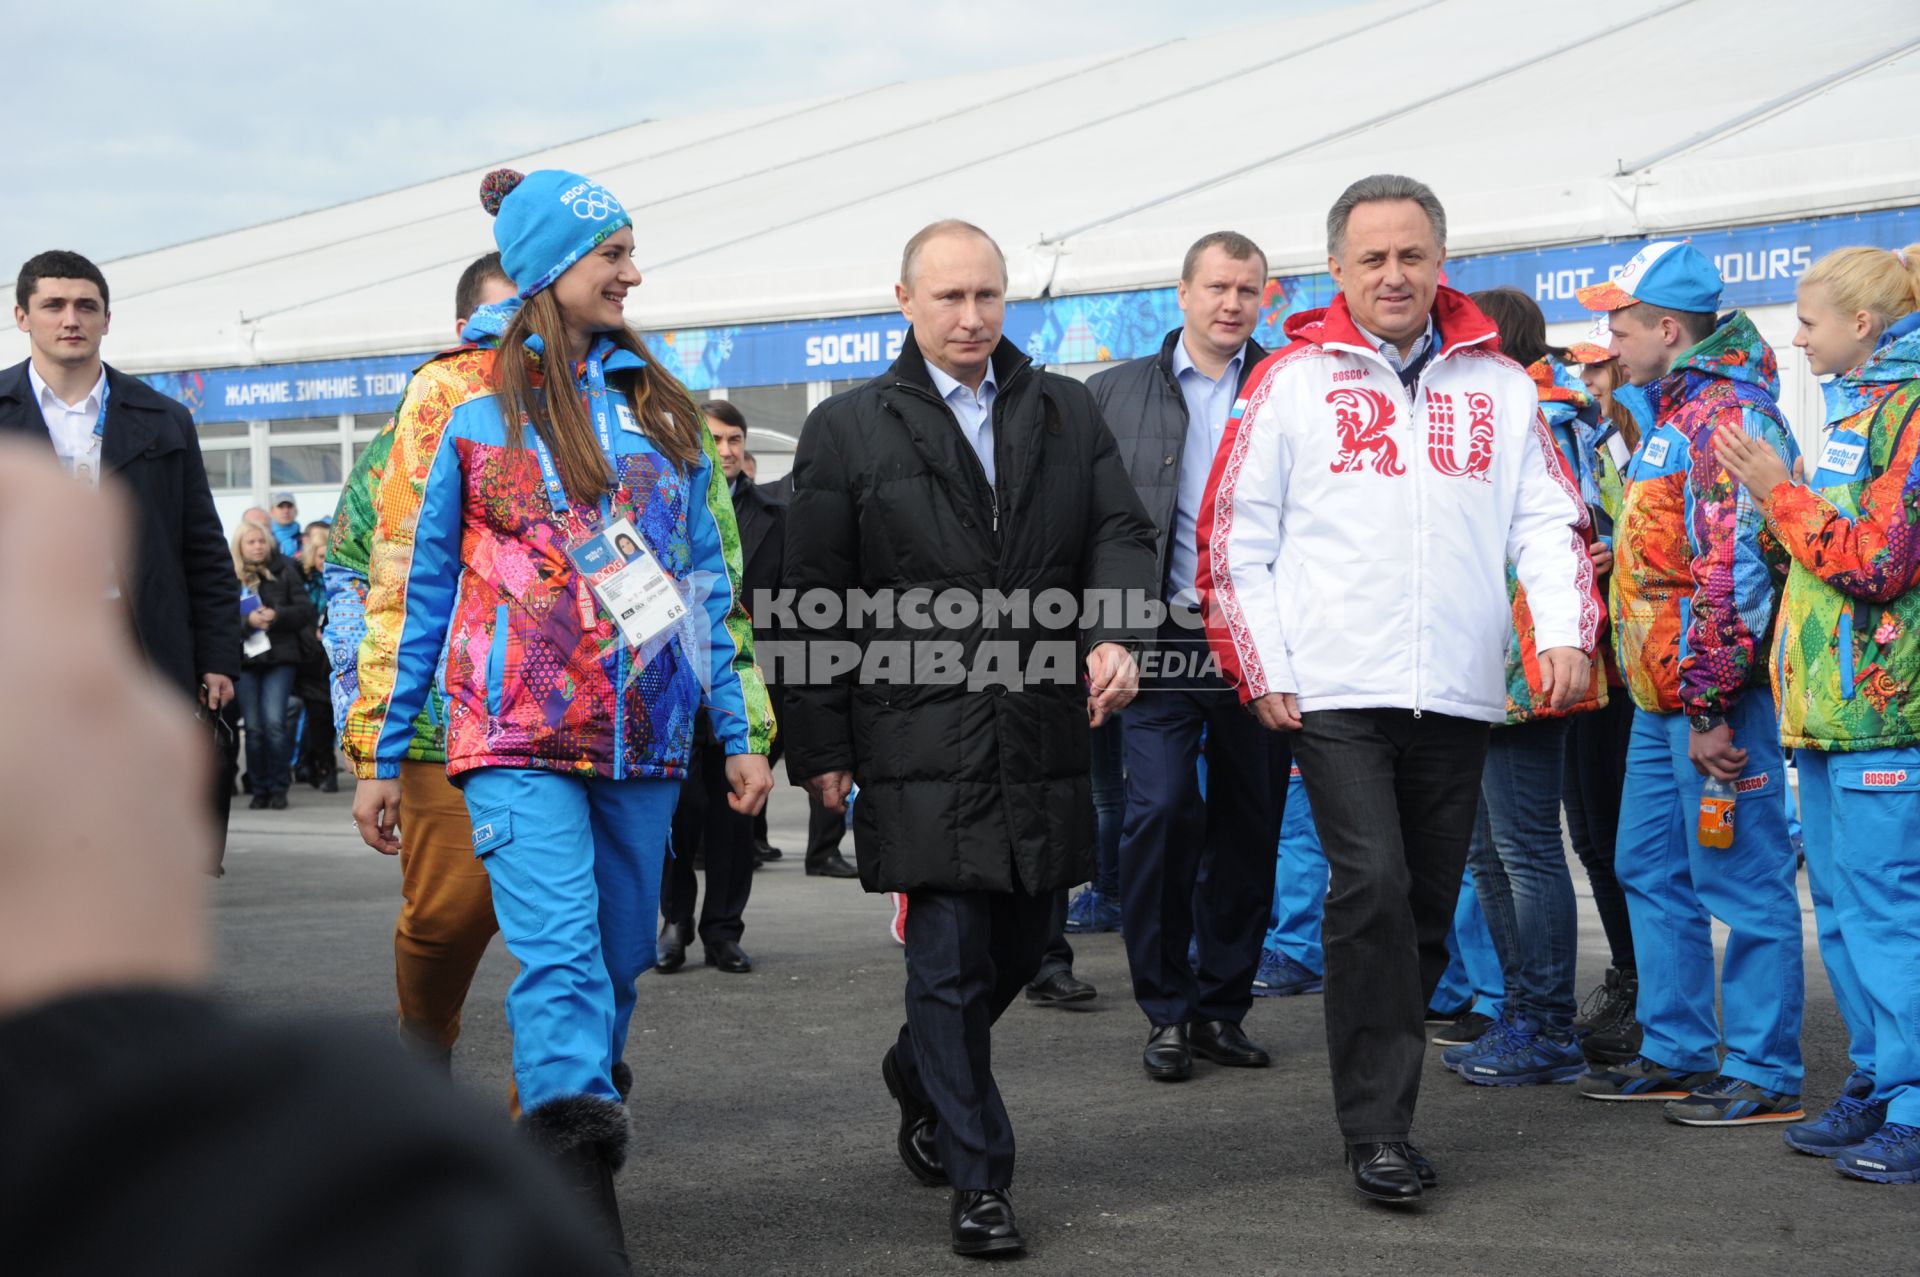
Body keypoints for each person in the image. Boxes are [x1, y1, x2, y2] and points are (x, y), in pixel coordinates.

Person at [344, 168, 774, 1266]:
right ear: (549, 270)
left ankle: (545, 1159)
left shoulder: (661, 412)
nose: (633, 272)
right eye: (612, 254)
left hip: (643, 741)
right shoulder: (475, 417)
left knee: (622, 955)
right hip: (511, 742)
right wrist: (384, 752)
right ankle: (579, 1224)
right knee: (563, 961)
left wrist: (740, 729)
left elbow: (700, 582)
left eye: (632, 252)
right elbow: (423, 590)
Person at [1198, 175, 1597, 1203]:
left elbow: (1549, 520)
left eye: (1411, 255)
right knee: (1368, 884)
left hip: (1457, 689)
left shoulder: (1502, 385)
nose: (1393, 274)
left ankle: (1385, 1094)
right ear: (1336, 268)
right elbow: (1236, 537)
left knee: (1423, 904)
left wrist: (1562, 630)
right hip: (1332, 687)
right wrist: (1266, 666)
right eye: (1371, 257)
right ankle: (1376, 1127)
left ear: (1439, 263)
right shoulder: (1289, 380)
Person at [781, 219, 1157, 1257]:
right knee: (946, 956)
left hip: (1039, 721)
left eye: (988, 295)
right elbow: (811, 591)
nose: (971, 316)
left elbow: (1120, 532)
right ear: (903, 299)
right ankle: (981, 1175)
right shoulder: (850, 427)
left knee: (1021, 939)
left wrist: (1115, 627)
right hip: (913, 730)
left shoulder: (1063, 408)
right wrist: (820, 744)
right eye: (948, 296)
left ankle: (918, 1068)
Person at [1572, 240, 1807, 1127]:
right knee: (1648, 865)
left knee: (1743, 882)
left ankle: (1763, 1068)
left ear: (1668, 329)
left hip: (1710, 701)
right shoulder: (1674, 411)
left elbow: (1733, 571)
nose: (1609, 336)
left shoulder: (1725, 418)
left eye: (1621, 321)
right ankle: (1675, 1048)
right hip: (1660, 696)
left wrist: (1711, 703)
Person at [1716, 243, 1920, 1183]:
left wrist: (1776, 492)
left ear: (1864, 325)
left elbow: (1877, 564)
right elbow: (1819, 553)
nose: (1794, 339)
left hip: (1888, 714)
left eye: (1807, 321)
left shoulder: (1911, 410)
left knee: (1887, 917)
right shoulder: (1855, 409)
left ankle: (1915, 1105)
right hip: (1830, 716)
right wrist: (1771, 507)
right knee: (1839, 912)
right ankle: (1881, 1082)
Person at [1086, 230, 1290, 1077]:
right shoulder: (1108, 393)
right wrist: (1101, 633)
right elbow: (1087, 524)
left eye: (1247, 290)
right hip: (1157, 634)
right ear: (1182, 292)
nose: (1231, 303)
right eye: (1216, 287)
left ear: (1263, 298)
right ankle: (1164, 1008)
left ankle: (1220, 1006)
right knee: (1162, 811)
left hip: (1258, 637)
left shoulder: (1291, 385)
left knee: (1251, 824)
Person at [326, 251, 519, 1085]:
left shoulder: (613, 412)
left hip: (580, 726)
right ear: (464, 330)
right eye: (505, 316)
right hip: (448, 724)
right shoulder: (420, 422)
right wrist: (373, 732)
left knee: (582, 939)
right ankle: (424, 1044)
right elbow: (353, 575)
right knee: (448, 919)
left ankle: (560, 1125)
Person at [1, 250, 240, 871]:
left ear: (108, 319)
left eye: (86, 305)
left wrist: (216, 657)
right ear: (22, 316)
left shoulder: (162, 418)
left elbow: (203, 549)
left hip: (140, 643)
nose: (70, 318)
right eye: (53, 305)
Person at [1429, 288, 1608, 1087]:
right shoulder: (1502, 409)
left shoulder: (1549, 415)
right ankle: (1521, 1012)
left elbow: (1583, 527)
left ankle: (1546, 1022)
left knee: (1525, 852)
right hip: (1479, 664)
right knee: (1486, 854)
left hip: (1531, 667)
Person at [658, 399, 785, 974]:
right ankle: (675, 919)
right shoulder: (663, 508)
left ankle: (723, 931)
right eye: (716, 439)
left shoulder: (776, 516)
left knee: (736, 822)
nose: (727, 450)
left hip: (745, 686)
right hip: (673, 689)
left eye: (735, 439)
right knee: (678, 813)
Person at [1558, 315, 1648, 1063]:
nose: (1585, 382)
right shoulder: (1581, 434)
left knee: (1620, 839)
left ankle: (1641, 983)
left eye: (1595, 368)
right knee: (1588, 835)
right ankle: (1626, 973)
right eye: (1579, 368)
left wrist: (1611, 547)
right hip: (1579, 663)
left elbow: (1644, 532)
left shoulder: (1617, 436)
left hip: (1622, 665)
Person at [233, 522, 314, 811]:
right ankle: (259, 787)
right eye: (250, 542)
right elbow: (217, 617)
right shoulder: (230, 577)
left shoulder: (285, 571)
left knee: (275, 724)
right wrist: (247, 622)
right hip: (245, 660)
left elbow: (306, 610)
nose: (257, 546)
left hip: (279, 658)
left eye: (261, 541)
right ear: (240, 547)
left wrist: (276, 615)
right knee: (254, 729)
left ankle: (279, 787)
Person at [292, 520, 337, 793]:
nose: (324, 562)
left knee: (325, 715)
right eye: (321, 556)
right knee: (315, 715)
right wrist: (312, 634)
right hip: (309, 658)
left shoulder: (339, 582)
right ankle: (321, 765)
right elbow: (297, 614)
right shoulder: (303, 581)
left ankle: (319, 763)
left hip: (330, 657)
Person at [268, 491, 302, 557]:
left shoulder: (304, 540)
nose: (286, 511)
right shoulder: (265, 539)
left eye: (289, 506)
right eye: (280, 507)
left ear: (296, 511)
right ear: (271, 512)